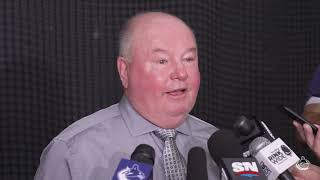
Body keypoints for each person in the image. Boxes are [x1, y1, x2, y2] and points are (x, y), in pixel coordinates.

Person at [34, 12, 222, 180]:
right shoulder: (74, 152)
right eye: (162, 61)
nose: (181, 73)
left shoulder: (219, 146)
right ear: (125, 71)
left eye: (188, 59)